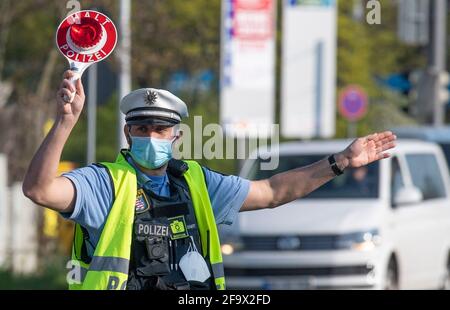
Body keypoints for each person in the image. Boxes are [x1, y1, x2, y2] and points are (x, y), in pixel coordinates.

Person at [23, 70, 396, 290]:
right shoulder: (104, 183)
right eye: (141, 128)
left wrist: (340, 162)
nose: (150, 136)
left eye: (160, 129)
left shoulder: (197, 182)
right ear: (127, 134)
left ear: (177, 138)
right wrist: (66, 123)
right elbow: (40, 189)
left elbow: (272, 192)